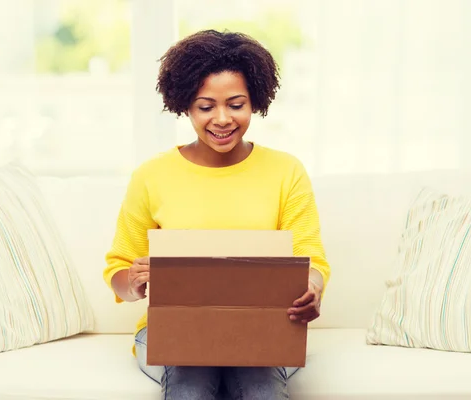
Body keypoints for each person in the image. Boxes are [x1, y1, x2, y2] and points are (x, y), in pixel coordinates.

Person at [103, 29, 330, 400]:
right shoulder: (151, 176)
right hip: (173, 333)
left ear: (255, 101)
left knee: (261, 388)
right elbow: (118, 270)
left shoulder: (286, 171)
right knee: (189, 385)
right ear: (185, 107)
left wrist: (312, 288)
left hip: (263, 329)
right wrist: (134, 280)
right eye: (206, 106)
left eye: (236, 104)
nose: (222, 119)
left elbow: (312, 258)